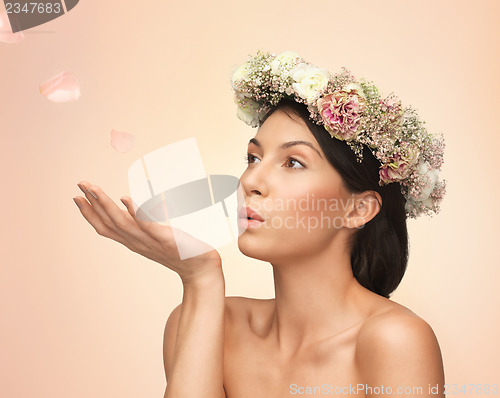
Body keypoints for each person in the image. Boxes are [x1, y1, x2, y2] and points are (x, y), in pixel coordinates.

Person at [73, 50, 446, 398]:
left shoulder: (396, 341)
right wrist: (200, 279)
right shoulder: (207, 325)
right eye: (253, 158)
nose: (250, 181)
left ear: (359, 210)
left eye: (293, 162)